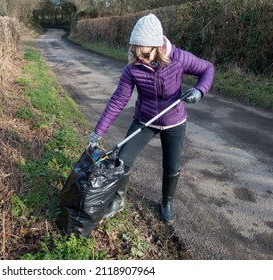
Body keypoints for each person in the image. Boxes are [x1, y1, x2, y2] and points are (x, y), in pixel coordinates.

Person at [88, 13, 214, 225]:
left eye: (145, 54)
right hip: (145, 121)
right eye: (136, 53)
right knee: (122, 160)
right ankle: (117, 201)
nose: (140, 59)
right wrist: (97, 132)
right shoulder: (133, 69)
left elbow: (207, 69)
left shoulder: (179, 58)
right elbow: (118, 100)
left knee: (171, 166)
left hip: (174, 121)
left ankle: (166, 203)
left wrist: (200, 91)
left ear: (157, 47)